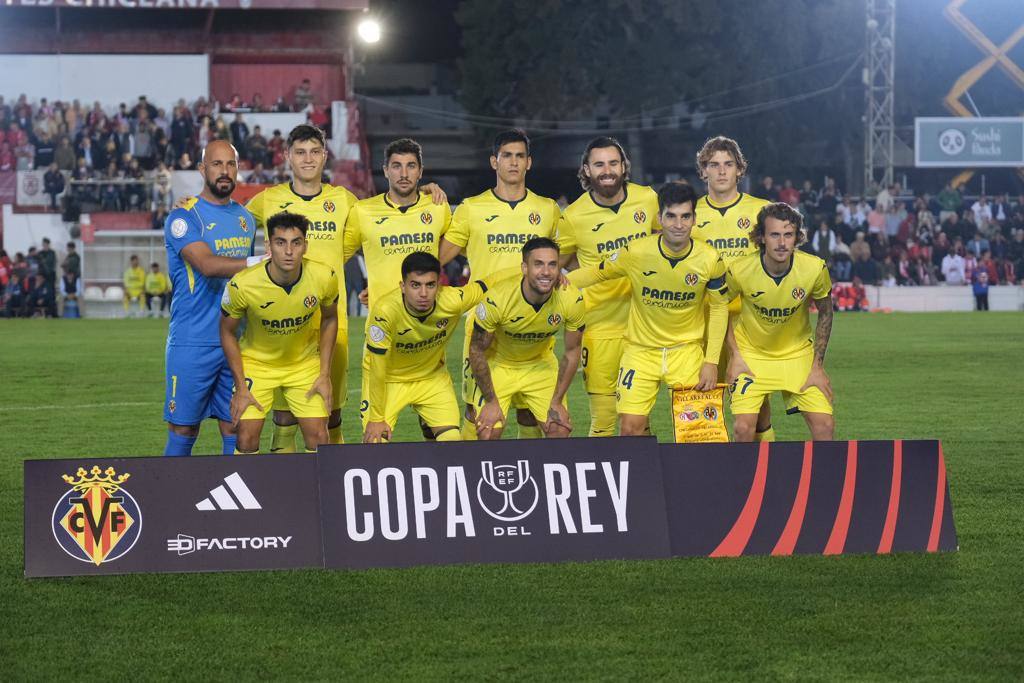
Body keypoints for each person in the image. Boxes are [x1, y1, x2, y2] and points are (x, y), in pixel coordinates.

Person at [568, 182, 728, 437]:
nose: (678, 224)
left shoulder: (710, 258)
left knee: (698, 433)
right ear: (659, 218)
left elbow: (720, 308)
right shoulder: (637, 252)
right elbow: (597, 273)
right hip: (641, 352)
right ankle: (642, 477)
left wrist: (711, 362)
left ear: (694, 219)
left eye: (685, 216)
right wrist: (553, 281)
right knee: (630, 428)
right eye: (671, 216)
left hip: (685, 352)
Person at [436, 129, 562, 440]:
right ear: (494, 161)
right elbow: (436, 258)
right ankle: (468, 475)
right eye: (507, 155)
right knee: (482, 421)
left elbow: (561, 259)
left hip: (533, 326)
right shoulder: (471, 208)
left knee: (531, 415)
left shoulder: (547, 209)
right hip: (485, 327)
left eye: (520, 156)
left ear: (529, 162)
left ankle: (530, 478)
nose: (514, 162)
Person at [343, 138, 451, 438]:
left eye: (411, 166)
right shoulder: (363, 212)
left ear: (420, 172)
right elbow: (337, 254)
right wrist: (373, 287)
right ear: (385, 171)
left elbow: (456, 247)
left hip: (427, 337)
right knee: (375, 437)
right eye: (397, 166)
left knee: (443, 436)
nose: (404, 173)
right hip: (383, 333)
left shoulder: (438, 208)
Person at [555, 136, 660, 437]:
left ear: (624, 166)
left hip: (644, 328)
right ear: (586, 170)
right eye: (599, 164)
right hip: (600, 329)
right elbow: (557, 266)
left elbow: (664, 247)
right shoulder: (573, 216)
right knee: (602, 420)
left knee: (640, 420)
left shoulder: (647, 199)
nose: (607, 170)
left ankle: (643, 482)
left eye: (613, 163)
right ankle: (602, 484)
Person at [162, 139, 258, 457]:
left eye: (230, 164)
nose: (224, 171)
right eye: (217, 164)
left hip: (234, 340)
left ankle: (232, 504)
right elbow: (207, 265)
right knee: (184, 427)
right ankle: (168, 499)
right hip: (192, 341)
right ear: (202, 169)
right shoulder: (183, 218)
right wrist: (262, 262)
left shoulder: (247, 220)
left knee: (235, 424)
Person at [361, 252, 515, 443]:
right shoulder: (385, 311)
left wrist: (537, 272)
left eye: (430, 285)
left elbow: (490, 282)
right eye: (415, 285)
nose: (423, 294)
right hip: (389, 380)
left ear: (439, 286)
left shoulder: (452, 301)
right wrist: (376, 419)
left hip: (431, 378)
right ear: (402, 286)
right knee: (375, 443)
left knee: (451, 444)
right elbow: (377, 368)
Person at [220, 213, 338, 454]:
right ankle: (251, 491)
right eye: (280, 242)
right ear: (269, 246)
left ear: (305, 245)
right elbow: (226, 332)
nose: (288, 251)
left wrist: (324, 373)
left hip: (303, 364)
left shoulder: (324, 276)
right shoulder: (242, 284)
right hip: (257, 364)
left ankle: (312, 491)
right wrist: (241, 387)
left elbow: (330, 318)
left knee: (319, 437)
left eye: (296, 242)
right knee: (246, 436)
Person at [724, 202, 835, 441]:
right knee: (743, 429)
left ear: (797, 237)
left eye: (788, 235)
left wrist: (817, 366)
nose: (782, 243)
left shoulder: (814, 268)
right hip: (752, 355)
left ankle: (822, 479)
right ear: (762, 237)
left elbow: (826, 312)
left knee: (824, 426)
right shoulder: (740, 270)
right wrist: (735, 356)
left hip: (797, 355)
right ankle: (743, 478)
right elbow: (718, 308)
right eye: (774, 234)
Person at [691, 136, 774, 441]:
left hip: (749, 323)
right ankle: (710, 476)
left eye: (728, 164)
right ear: (704, 171)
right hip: (703, 323)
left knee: (756, 408)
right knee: (703, 403)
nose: (721, 171)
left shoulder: (761, 211)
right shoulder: (690, 216)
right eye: (714, 165)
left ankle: (765, 473)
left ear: (740, 170)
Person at [470, 237, 585, 440]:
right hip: (499, 366)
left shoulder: (571, 298)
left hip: (539, 365)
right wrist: (490, 401)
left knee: (560, 430)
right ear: (524, 267)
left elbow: (572, 351)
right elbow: (477, 350)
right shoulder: (498, 299)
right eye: (538, 264)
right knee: (487, 433)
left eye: (552, 265)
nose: (546, 272)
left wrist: (557, 400)